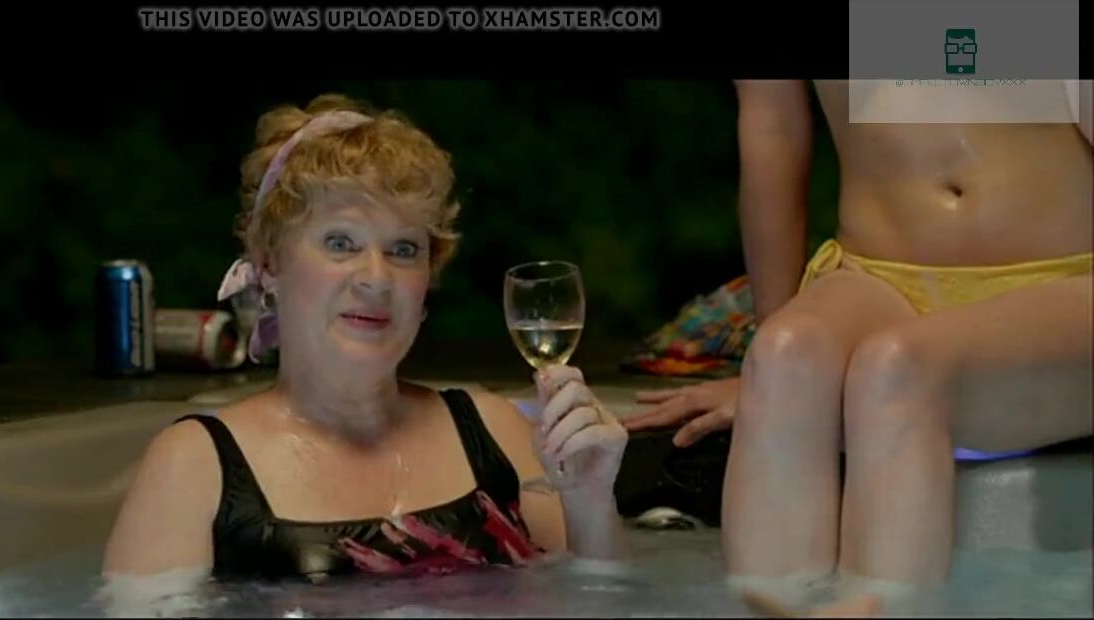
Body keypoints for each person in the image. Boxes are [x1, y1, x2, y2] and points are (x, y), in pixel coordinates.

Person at [99, 94, 629, 614]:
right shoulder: (195, 465)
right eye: (340, 243)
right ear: (269, 264)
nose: (376, 278)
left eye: (404, 250)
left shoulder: (495, 433)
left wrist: (591, 500)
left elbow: (605, 607)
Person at [624, 79, 1093, 615]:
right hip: (877, 276)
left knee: (896, 370)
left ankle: (884, 608)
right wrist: (755, 364)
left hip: (1068, 278)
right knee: (783, 360)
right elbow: (773, 129)